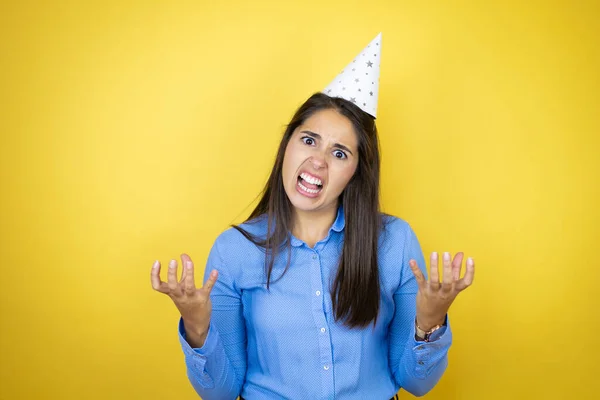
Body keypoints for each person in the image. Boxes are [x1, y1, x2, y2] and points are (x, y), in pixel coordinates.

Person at [150, 33, 474, 399]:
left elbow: (417, 383)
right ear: (286, 145)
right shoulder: (234, 249)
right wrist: (197, 327)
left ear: (357, 172)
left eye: (339, 153)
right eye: (309, 140)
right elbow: (220, 393)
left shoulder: (395, 242)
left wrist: (429, 321)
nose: (318, 160)